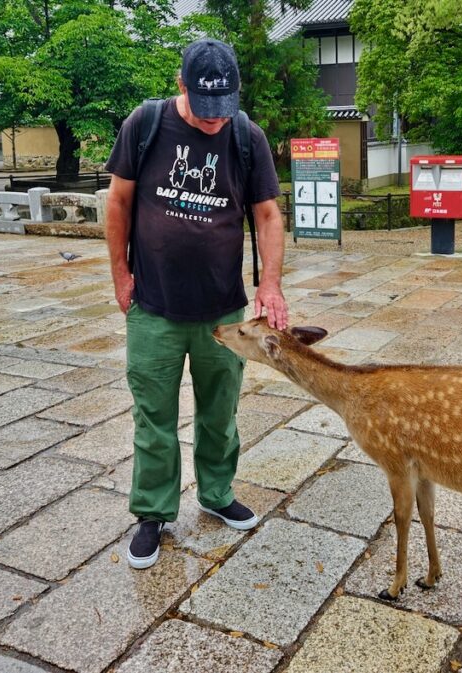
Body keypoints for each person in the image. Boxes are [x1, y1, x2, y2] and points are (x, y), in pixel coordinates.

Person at [104, 38, 288, 570]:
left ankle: (216, 492)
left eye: (223, 109)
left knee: (220, 413)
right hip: (154, 306)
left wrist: (270, 285)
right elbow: (118, 202)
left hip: (223, 311)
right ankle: (153, 512)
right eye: (205, 110)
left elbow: (268, 215)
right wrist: (120, 275)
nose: (214, 121)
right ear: (181, 85)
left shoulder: (247, 136)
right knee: (153, 417)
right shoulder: (145, 124)